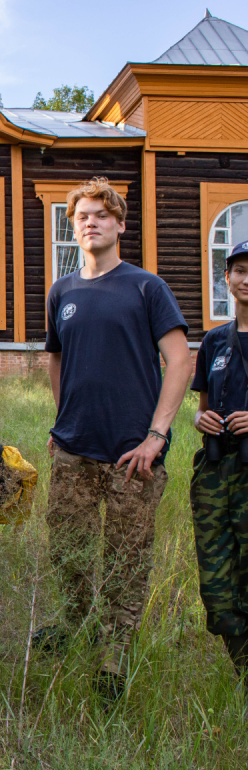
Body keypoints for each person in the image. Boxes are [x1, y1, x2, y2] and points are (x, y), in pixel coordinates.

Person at [42, 177, 191, 699]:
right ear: (72, 225)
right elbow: (56, 358)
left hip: (134, 455)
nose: (90, 222)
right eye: (82, 215)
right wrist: (61, 424)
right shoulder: (62, 291)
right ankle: (77, 623)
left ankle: (115, 650)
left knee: (127, 557)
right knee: (70, 550)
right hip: (74, 451)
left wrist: (157, 435)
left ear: (120, 224)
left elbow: (180, 360)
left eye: (101, 215)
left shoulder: (147, 287)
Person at [190, 239, 248, 684]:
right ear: (227, 278)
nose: (246, 279)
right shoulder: (214, 341)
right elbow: (203, 405)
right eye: (239, 270)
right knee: (217, 587)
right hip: (216, 471)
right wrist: (201, 418)